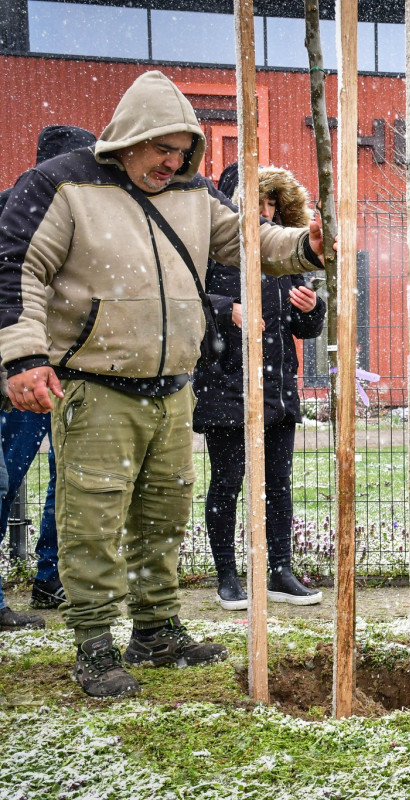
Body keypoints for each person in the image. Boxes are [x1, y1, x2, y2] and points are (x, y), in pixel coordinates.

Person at [0, 71, 328, 698]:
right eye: (161, 149)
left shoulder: (195, 193)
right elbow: (17, 267)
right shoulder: (62, 186)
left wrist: (305, 245)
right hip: (93, 384)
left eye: (183, 151)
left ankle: (155, 630)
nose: (172, 162)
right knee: (91, 515)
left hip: (174, 386)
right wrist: (23, 358)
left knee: (165, 512)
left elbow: (247, 240)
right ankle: (94, 643)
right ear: (130, 137)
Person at [193, 163, 326, 610]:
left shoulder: (283, 256)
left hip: (278, 392)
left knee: (279, 487)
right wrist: (223, 307)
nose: (266, 210)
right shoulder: (212, 249)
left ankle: (278, 572)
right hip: (227, 386)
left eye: (272, 202)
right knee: (227, 483)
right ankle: (227, 576)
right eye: (257, 200)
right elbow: (183, 294)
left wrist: (311, 308)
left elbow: (302, 328)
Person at [0, 125, 98, 622]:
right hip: (22, 369)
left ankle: (51, 581)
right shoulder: (14, 211)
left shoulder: (86, 216)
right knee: (6, 476)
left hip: (66, 370)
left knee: (69, 479)